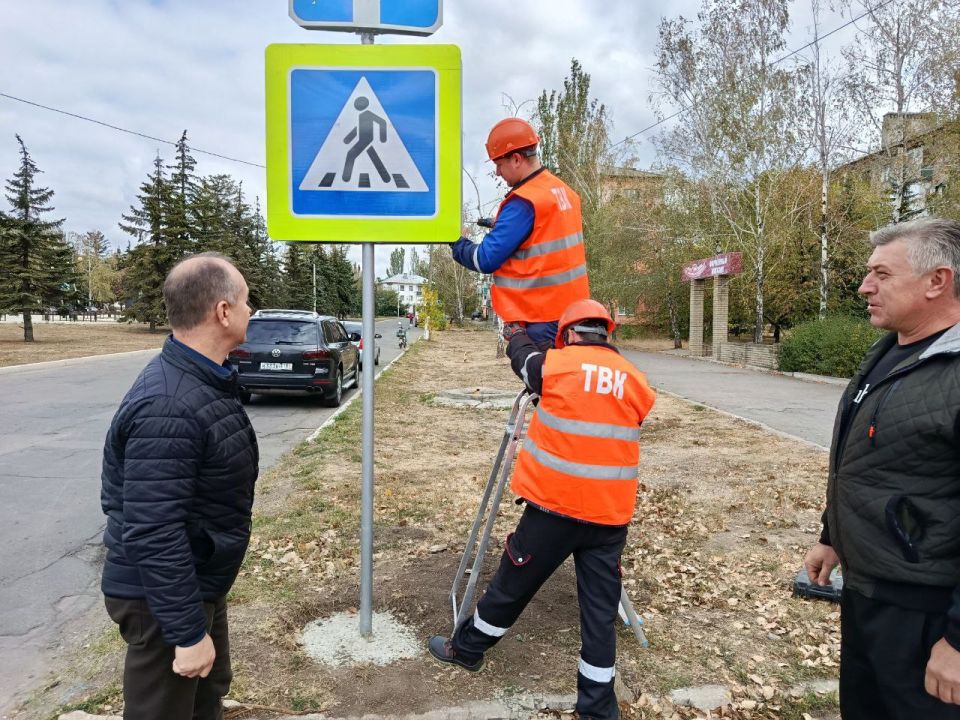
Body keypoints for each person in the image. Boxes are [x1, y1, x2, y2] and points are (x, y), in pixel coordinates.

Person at [429, 299, 656, 720]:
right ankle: (597, 709)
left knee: (512, 587)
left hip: (556, 509)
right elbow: (633, 415)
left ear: (568, 334)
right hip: (609, 518)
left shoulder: (557, 365)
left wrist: (515, 333)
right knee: (600, 614)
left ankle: (466, 650)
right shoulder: (635, 378)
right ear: (608, 334)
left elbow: (525, 361)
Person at [803, 217, 960, 718]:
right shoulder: (890, 351)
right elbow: (869, 460)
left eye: (882, 274)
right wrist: (832, 535)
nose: (865, 286)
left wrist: (957, 641)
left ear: (938, 281)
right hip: (869, 591)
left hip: (927, 612)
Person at [100, 253, 258, 720]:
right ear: (223, 312)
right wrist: (188, 633)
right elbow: (154, 529)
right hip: (161, 596)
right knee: (165, 711)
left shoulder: (202, 378)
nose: (252, 310)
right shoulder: (168, 404)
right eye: (247, 301)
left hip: (193, 582)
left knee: (206, 697)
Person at [451, 118, 590, 348]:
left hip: (541, 318)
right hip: (574, 313)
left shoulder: (524, 202)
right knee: (561, 380)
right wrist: (505, 226)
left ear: (516, 159)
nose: (497, 172)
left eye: (499, 164)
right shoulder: (561, 190)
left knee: (543, 380)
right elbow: (546, 236)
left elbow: (484, 259)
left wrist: (455, 242)